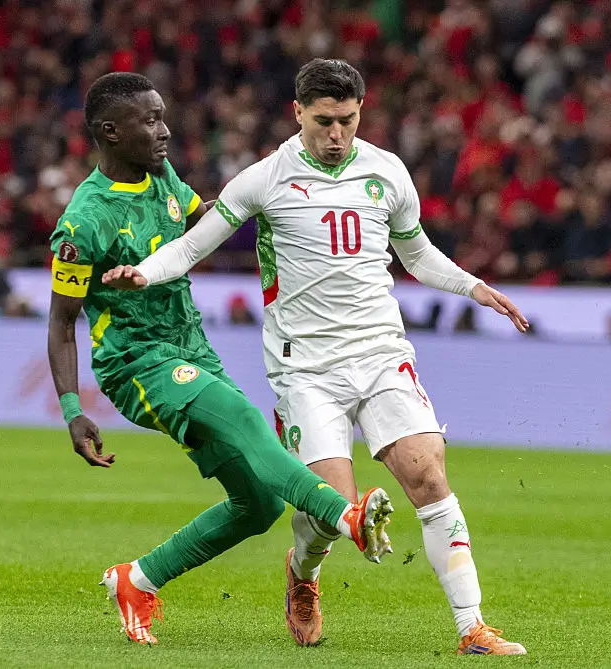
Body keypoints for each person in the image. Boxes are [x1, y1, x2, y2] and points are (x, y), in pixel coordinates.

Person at [103, 59, 529, 655]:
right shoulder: (264, 179)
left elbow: (416, 253)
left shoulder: (387, 171)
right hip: (305, 367)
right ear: (297, 112)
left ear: (361, 112)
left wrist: (472, 286)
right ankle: (303, 575)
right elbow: (192, 247)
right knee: (332, 510)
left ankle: (471, 627)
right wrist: (143, 274)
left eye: (347, 121)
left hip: (381, 352)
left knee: (429, 476)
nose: (336, 134)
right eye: (324, 121)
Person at [47, 72, 394, 646]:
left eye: (162, 116)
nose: (164, 130)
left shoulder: (161, 176)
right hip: (137, 364)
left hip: (191, 350)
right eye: (149, 121)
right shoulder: (84, 222)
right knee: (242, 417)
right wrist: (71, 409)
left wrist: (267, 193)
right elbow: (62, 322)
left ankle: (137, 579)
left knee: (257, 504)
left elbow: (202, 221)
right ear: (110, 132)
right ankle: (345, 515)